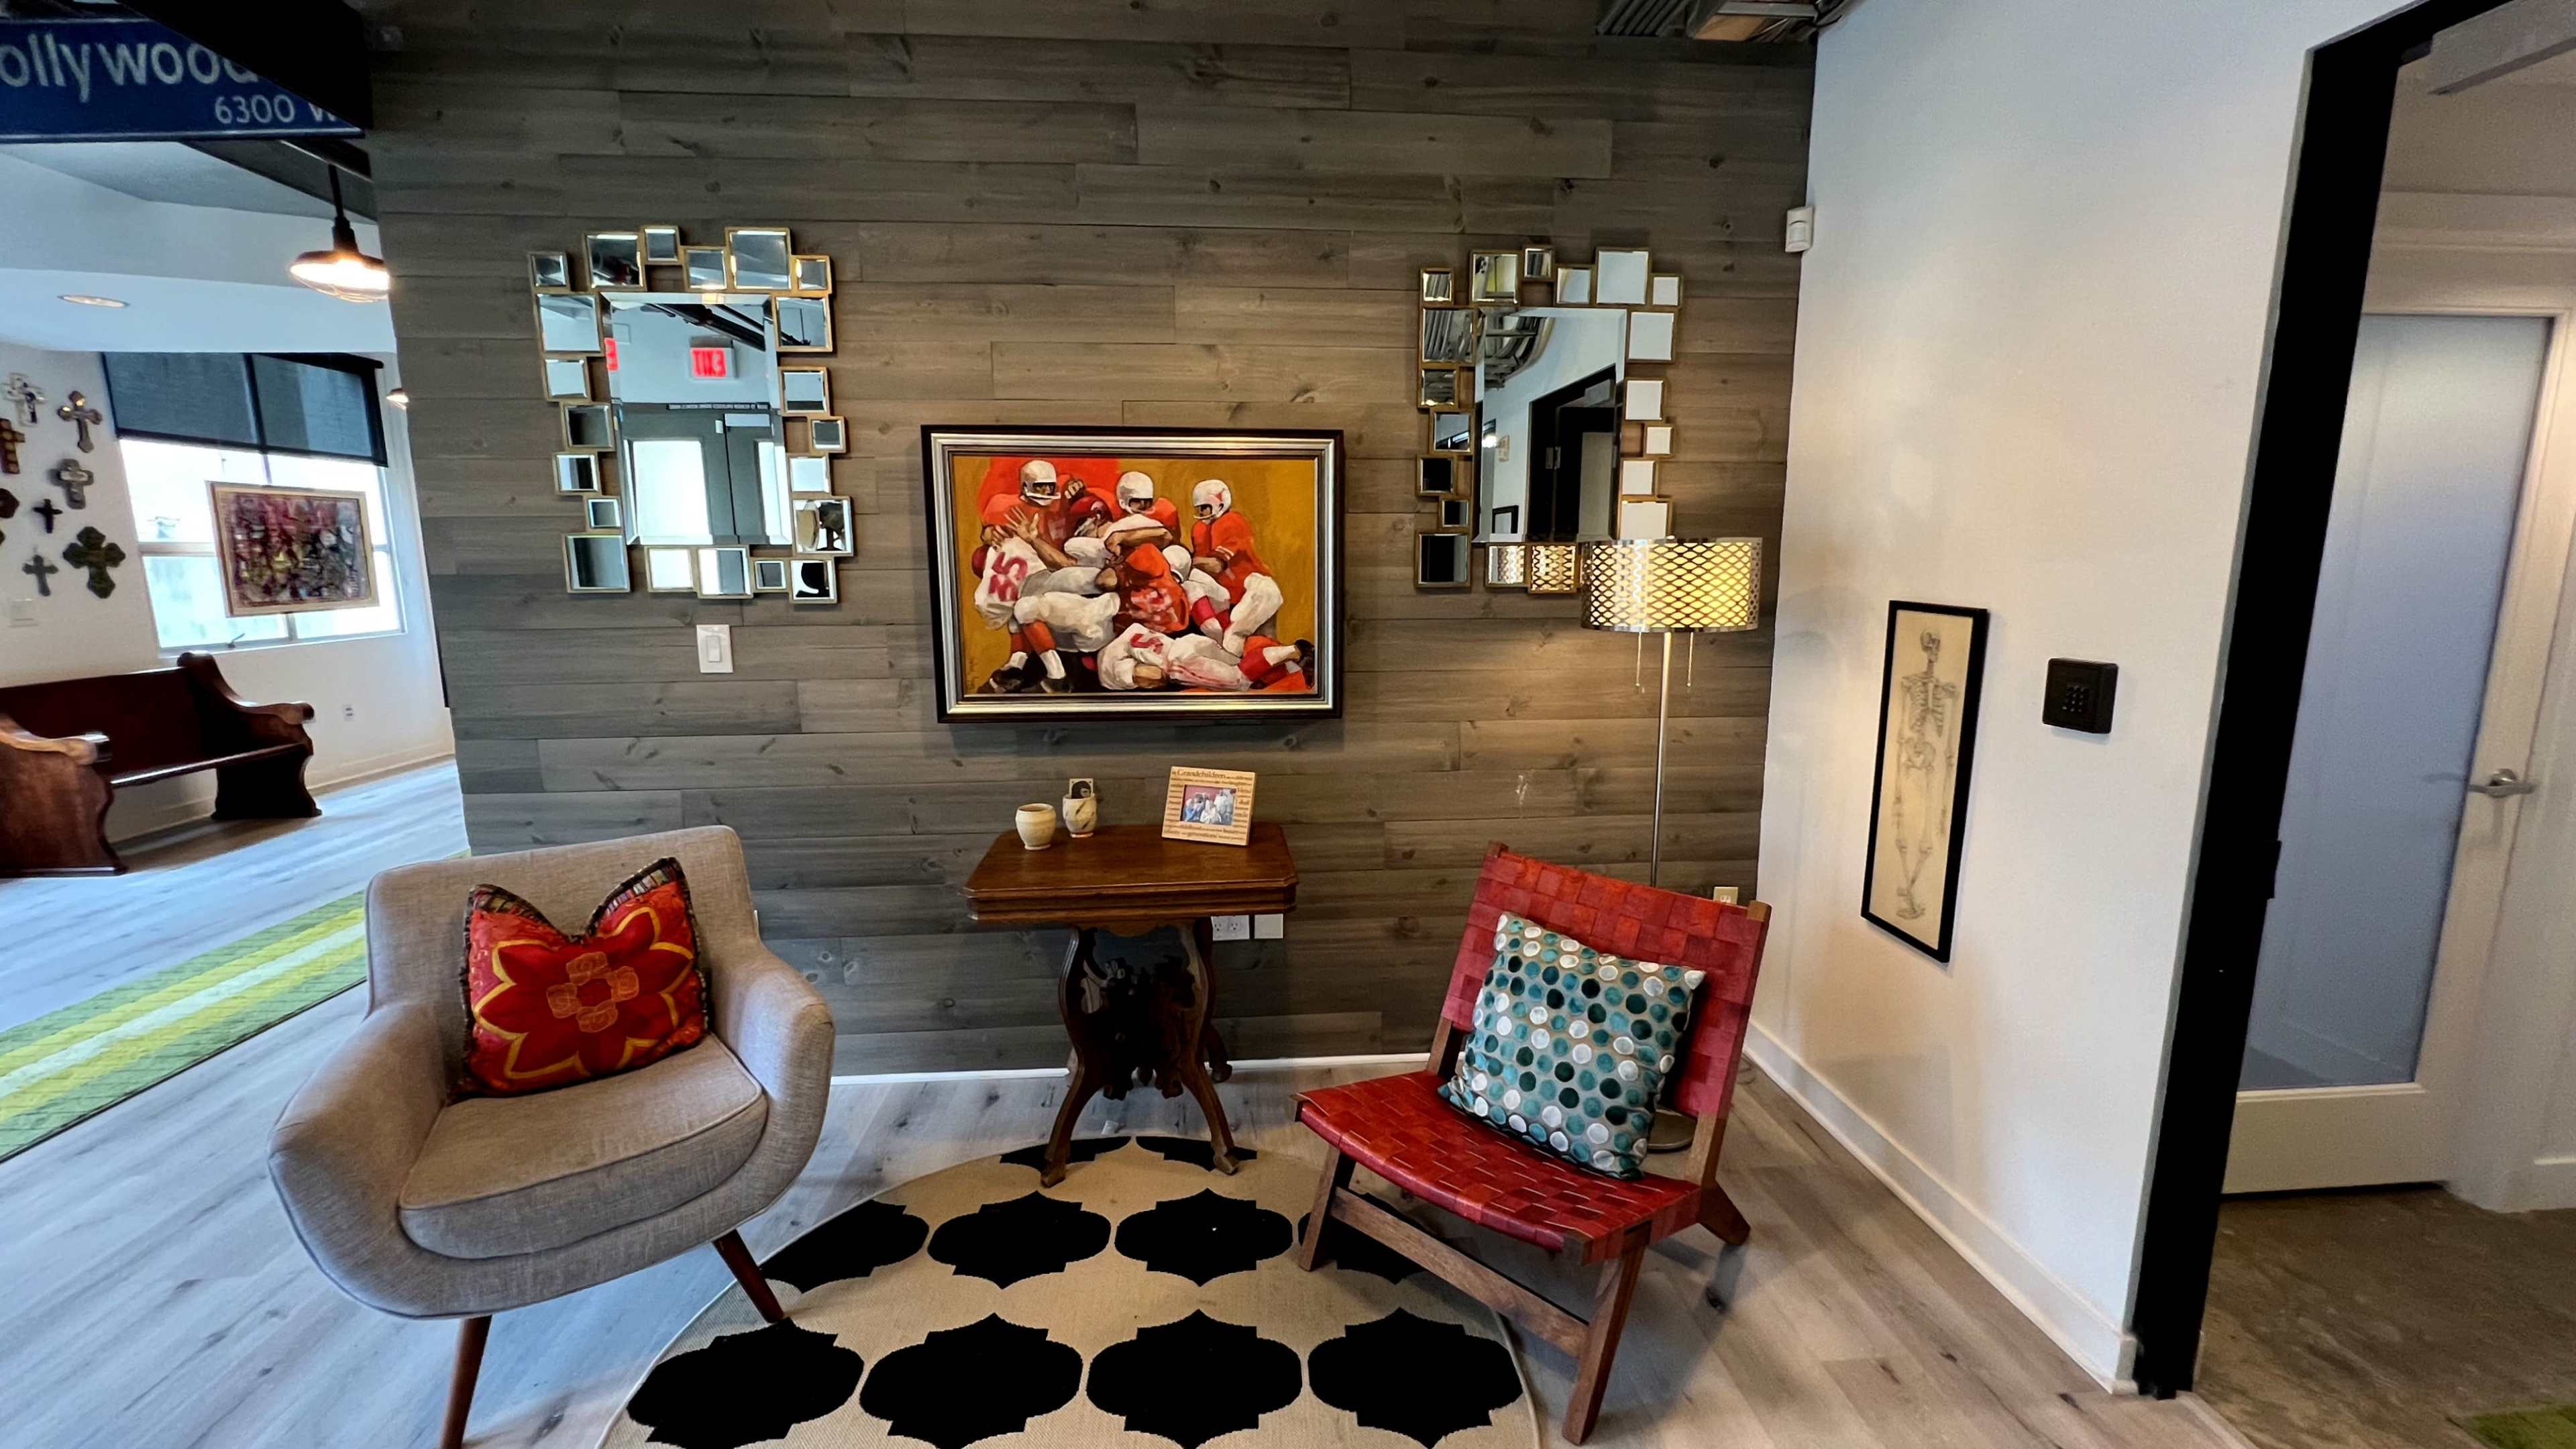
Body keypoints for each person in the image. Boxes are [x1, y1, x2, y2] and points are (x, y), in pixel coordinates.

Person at [1187, 479, 1283, 655]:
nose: (1201, 512)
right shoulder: (1200, 529)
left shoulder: (1231, 522)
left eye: (1205, 507)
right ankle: (1294, 672)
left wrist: (1185, 560)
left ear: (1220, 504)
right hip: (1243, 597)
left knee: (1234, 640)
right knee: (1262, 647)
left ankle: (1240, 680)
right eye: (1198, 508)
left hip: (1258, 590)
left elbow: (1216, 566)